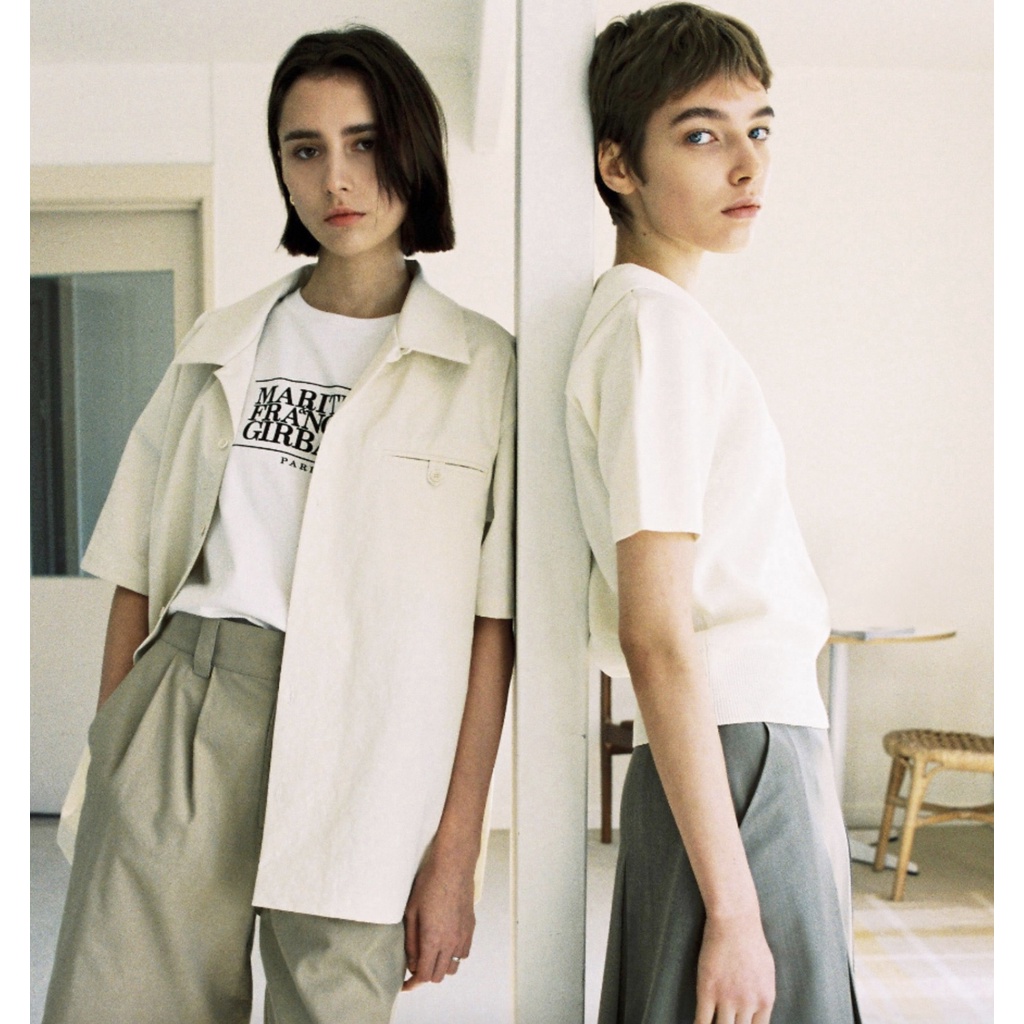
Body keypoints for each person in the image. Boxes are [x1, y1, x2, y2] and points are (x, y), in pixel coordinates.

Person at [43, 26, 515, 1024]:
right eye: (305, 149)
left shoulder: (484, 368)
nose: (336, 177)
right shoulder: (222, 341)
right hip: (193, 702)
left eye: (364, 142)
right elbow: (137, 565)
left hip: (374, 734)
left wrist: (457, 847)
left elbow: (492, 625)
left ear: (412, 149)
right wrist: (114, 748)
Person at [566, 5, 861, 1023]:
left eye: (759, 129)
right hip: (739, 756)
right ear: (619, 165)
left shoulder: (652, 324)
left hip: (729, 753)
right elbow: (656, 629)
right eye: (701, 134)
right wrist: (735, 911)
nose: (747, 163)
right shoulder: (655, 331)